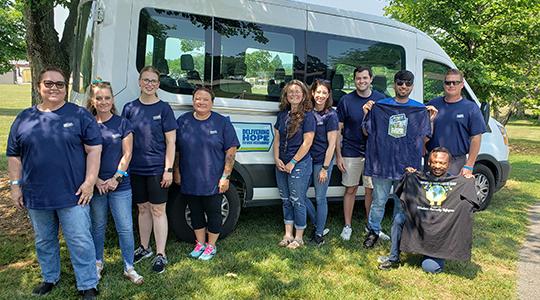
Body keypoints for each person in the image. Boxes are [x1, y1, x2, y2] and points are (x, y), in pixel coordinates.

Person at [7, 67, 101, 299]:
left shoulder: (79, 115)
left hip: (73, 193)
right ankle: (50, 277)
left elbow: (94, 150)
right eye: (48, 83)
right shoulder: (24, 118)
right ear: (39, 86)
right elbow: (13, 155)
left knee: (80, 239)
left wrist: (89, 182)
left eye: (59, 84)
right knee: (44, 239)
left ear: (65, 88)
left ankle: (87, 283)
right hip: (36, 194)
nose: (54, 88)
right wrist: (15, 185)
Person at [362, 70, 436, 249]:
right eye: (400, 83)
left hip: (406, 166)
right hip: (383, 163)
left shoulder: (419, 109)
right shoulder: (380, 106)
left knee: (400, 202)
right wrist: (366, 113)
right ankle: (373, 231)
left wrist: (431, 119)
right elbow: (367, 131)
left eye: (408, 84)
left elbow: (425, 137)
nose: (404, 86)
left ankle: (398, 233)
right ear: (394, 84)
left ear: (412, 86)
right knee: (379, 200)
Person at [378, 147, 477, 272]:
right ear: (429, 162)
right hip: (420, 226)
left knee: (430, 268)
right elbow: (403, 191)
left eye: (442, 163)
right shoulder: (420, 179)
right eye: (434, 162)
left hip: (438, 234)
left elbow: (470, 205)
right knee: (399, 218)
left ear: (448, 164)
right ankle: (393, 258)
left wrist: (468, 182)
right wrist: (410, 176)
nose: (437, 166)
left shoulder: (456, 184)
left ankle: (432, 253)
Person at [86, 80, 143, 284]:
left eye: (107, 98)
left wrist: (116, 178)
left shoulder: (122, 123)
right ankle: (97, 263)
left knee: (125, 227)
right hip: (96, 186)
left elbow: (127, 154)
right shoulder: (87, 123)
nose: (103, 102)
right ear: (92, 100)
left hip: (119, 186)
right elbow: (82, 156)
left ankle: (129, 267)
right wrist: (97, 181)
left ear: (113, 99)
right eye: (99, 98)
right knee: (98, 226)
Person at [121, 66, 177, 273]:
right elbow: (125, 140)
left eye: (153, 81)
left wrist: (168, 169)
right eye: (146, 80)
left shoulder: (164, 109)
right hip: (135, 169)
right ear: (139, 82)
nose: (149, 84)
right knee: (142, 208)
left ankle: (161, 254)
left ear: (158, 84)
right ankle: (145, 248)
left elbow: (171, 142)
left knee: (157, 210)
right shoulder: (129, 108)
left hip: (157, 169)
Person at [175, 86, 240, 260]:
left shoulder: (222, 122)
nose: (201, 102)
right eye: (198, 98)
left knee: (214, 213)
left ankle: (211, 246)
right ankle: (200, 243)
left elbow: (231, 152)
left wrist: (225, 177)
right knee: (195, 212)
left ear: (212, 102)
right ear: (193, 100)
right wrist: (176, 170)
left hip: (213, 178)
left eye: (205, 99)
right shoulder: (183, 121)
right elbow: (177, 150)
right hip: (190, 177)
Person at [335, 66, 386, 241]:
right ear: (354, 80)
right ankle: (347, 226)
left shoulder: (381, 99)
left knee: (370, 191)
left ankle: (371, 226)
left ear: (371, 79)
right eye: (358, 78)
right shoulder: (346, 100)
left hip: (374, 153)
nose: (361, 81)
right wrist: (338, 155)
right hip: (350, 151)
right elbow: (338, 130)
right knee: (351, 189)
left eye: (365, 78)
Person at [274, 79, 315, 249]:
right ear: (286, 95)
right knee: (286, 200)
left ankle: (299, 237)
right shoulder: (282, 115)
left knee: (297, 200)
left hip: (299, 164)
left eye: (298, 92)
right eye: (290, 92)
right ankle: (288, 234)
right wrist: (277, 159)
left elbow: (307, 142)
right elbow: (276, 140)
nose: (294, 95)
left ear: (304, 94)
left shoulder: (309, 116)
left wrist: (292, 162)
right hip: (281, 164)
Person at [426, 69, 487, 176]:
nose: (451, 85)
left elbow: (476, 138)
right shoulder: (433, 104)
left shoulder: (471, 108)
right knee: (430, 192)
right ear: (444, 85)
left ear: (462, 85)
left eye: (455, 82)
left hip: (456, 163)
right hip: (433, 161)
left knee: (454, 193)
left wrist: (469, 165)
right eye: (448, 82)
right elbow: (423, 132)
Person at [305, 79, 339, 246]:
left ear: (328, 95)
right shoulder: (308, 111)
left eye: (324, 92)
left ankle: (318, 234)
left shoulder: (331, 115)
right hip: (305, 160)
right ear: (312, 93)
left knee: (320, 198)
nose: (320, 95)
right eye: (318, 92)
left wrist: (325, 168)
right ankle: (318, 223)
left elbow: (332, 143)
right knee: (299, 195)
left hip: (321, 162)